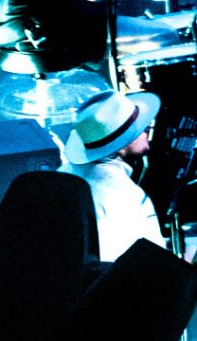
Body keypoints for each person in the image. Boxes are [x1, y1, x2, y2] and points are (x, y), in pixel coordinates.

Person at [59, 89, 165, 261]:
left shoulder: (64, 172)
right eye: (143, 128)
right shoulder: (126, 196)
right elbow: (152, 269)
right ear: (121, 146)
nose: (148, 131)